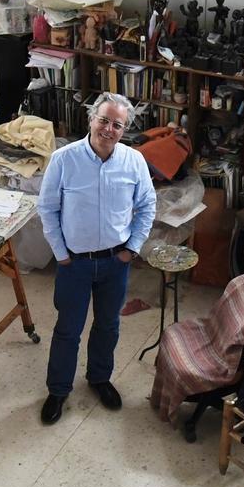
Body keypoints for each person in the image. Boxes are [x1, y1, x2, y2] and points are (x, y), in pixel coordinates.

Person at [36, 93, 157, 424]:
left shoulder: (133, 161)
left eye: (117, 124)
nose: (109, 129)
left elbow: (147, 204)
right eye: (103, 120)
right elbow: (47, 208)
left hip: (115, 263)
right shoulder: (64, 159)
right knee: (68, 329)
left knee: (108, 324)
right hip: (74, 263)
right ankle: (59, 390)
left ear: (125, 129)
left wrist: (132, 247)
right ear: (90, 120)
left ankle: (99, 379)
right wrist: (60, 254)